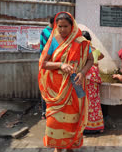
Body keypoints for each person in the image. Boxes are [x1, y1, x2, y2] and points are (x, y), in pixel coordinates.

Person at [38, 12, 94, 152]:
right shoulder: (54, 40)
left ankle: (70, 147)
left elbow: (90, 59)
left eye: (65, 26)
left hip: (75, 86)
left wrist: (82, 72)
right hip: (56, 89)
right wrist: (60, 65)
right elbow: (43, 63)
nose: (62, 30)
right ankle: (58, 148)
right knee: (55, 121)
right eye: (59, 26)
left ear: (72, 25)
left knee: (73, 120)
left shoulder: (81, 41)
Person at [81, 31, 105, 134]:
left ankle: (85, 126)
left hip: (86, 76)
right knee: (94, 101)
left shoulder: (82, 50)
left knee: (85, 101)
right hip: (94, 76)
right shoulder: (95, 50)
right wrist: (96, 62)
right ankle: (97, 126)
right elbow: (102, 56)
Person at [39, 15, 55, 119]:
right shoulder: (48, 32)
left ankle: (46, 111)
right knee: (47, 87)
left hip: (48, 63)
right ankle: (45, 111)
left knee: (48, 87)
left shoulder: (46, 32)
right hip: (48, 63)